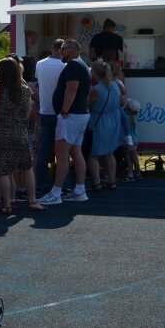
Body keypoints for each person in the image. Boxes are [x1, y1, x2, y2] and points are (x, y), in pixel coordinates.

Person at [0, 57, 43, 213]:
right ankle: (32, 200)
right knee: (27, 167)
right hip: (20, 132)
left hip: (2, 132)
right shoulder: (25, 90)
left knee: (4, 170)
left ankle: (7, 204)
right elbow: (27, 114)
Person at [38, 39, 91, 205]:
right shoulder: (83, 65)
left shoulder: (74, 65)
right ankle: (79, 190)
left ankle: (56, 193)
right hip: (80, 115)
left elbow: (72, 88)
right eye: (60, 49)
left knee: (61, 154)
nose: (61, 52)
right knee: (76, 152)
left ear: (74, 49)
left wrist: (65, 110)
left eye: (64, 49)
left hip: (71, 116)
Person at [86, 61, 124, 191]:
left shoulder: (95, 90)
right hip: (113, 120)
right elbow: (121, 103)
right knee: (109, 153)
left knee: (93, 154)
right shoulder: (115, 85)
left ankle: (97, 183)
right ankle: (112, 181)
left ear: (95, 73)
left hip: (99, 121)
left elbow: (89, 106)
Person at [34, 39, 66, 193]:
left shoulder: (39, 64)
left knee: (44, 149)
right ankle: (61, 182)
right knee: (62, 150)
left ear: (52, 48)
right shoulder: (65, 67)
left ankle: (41, 181)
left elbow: (39, 85)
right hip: (61, 113)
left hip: (45, 110)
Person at [124, 98, 142, 182]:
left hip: (130, 139)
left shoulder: (127, 117)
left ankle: (135, 173)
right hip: (133, 139)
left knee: (132, 157)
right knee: (131, 157)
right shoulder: (133, 116)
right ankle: (132, 173)